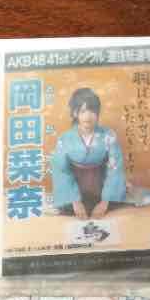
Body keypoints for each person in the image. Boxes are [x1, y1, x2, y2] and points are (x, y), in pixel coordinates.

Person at [51, 88, 126, 219]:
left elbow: (115, 169)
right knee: (67, 210)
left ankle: (106, 200)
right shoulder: (65, 139)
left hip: (102, 190)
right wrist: (75, 202)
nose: (88, 116)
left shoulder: (108, 135)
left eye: (92, 111)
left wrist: (104, 202)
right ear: (75, 113)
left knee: (116, 208)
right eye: (83, 111)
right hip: (74, 192)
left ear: (98, 113)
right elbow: (61, 171)